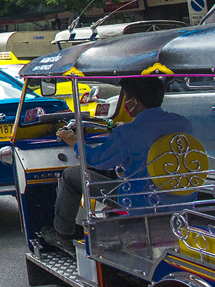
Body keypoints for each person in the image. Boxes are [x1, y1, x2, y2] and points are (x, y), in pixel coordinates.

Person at [41, 77, 192, 253]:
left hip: (140, 200)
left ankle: (62, 236)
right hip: (180, 194)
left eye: (126, 97)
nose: (126, 103)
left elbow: (98, 160)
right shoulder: (182, 123)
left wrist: (75, 142)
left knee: (71, 175)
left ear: (134, 102)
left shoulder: (127, 133)